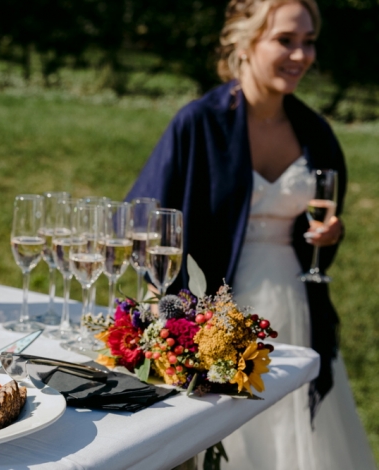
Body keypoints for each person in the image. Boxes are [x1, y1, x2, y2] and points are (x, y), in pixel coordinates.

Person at [126, 0, 376, 468]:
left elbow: (321, 225)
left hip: (297, 306)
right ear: (247, 41)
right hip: (218, 314)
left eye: (308, 42)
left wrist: (330, 235)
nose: (301, 55)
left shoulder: (314, 131)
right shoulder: (198, 124)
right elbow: (140, 219)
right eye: (286, 40)